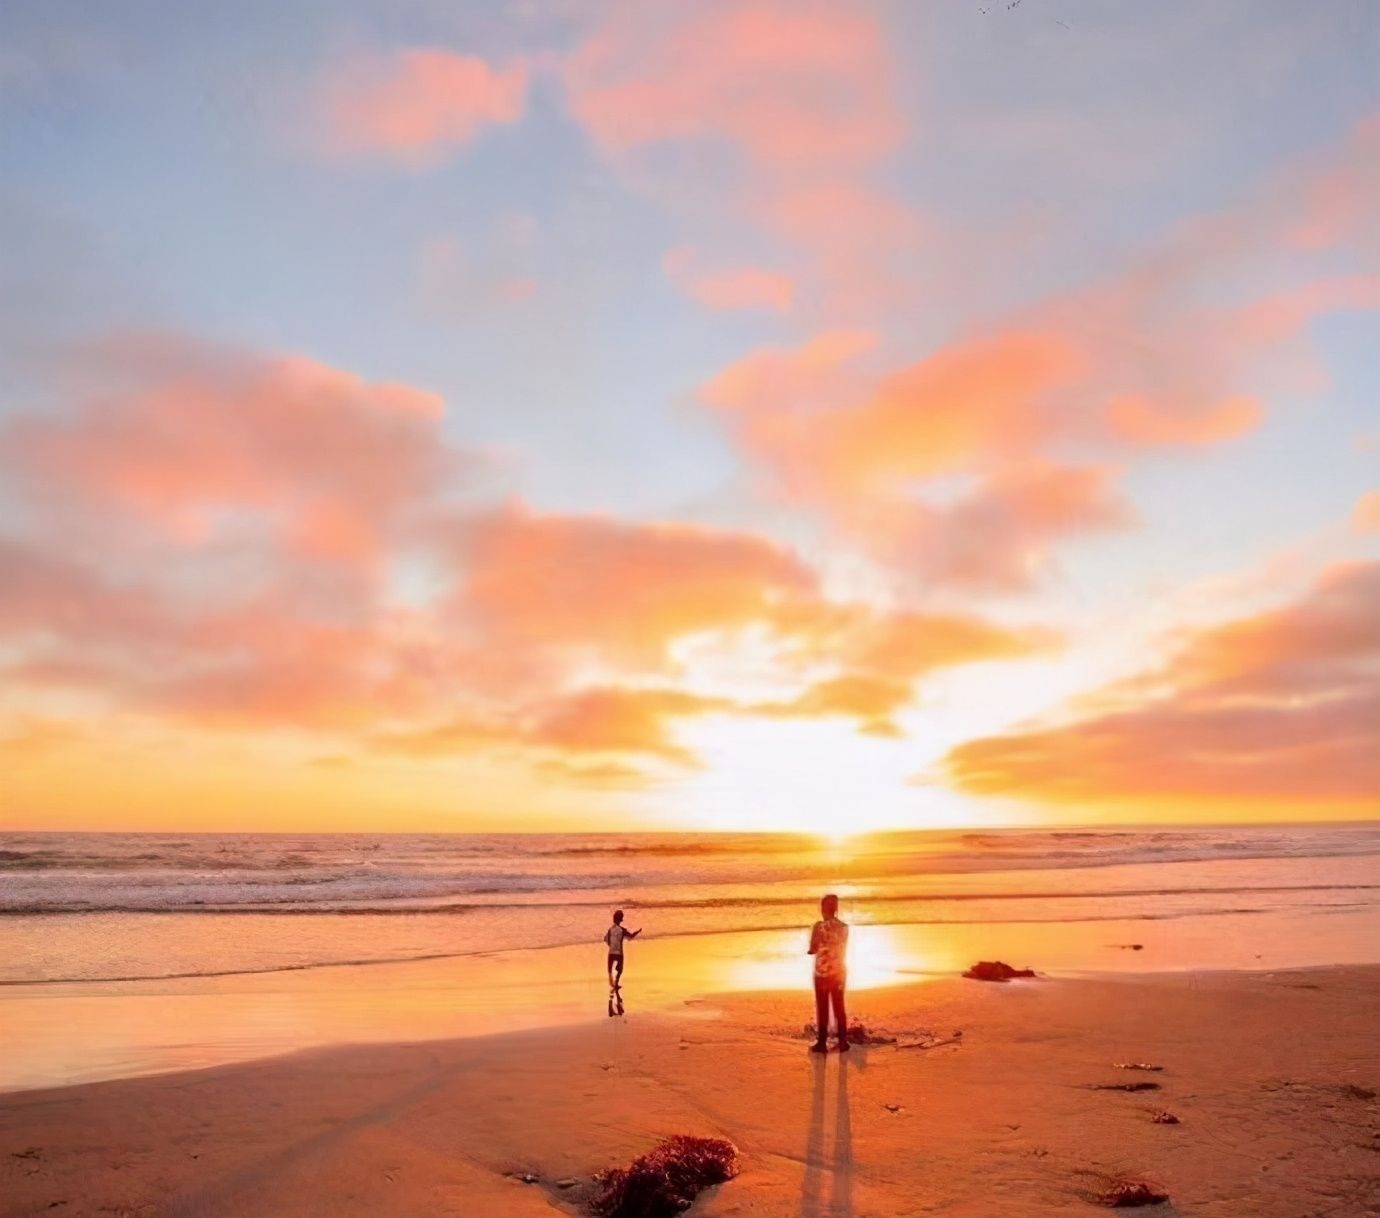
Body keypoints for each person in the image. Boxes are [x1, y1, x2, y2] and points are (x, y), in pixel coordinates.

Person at [807, 893, 849, 1053]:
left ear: (824, 908)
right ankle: (843, 1041)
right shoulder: (844, 927)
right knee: (839, 1007)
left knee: (823, 1007)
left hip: (822, 973)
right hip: (839, 972)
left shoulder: (819, 927)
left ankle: (822, 1043)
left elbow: (813, 949)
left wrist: (811, 949)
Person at [604, 909, 641, 989]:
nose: (622, 919)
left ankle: (612, 983)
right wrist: (637, 932)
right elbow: (630, 937)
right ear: (620, 919)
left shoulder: (610, 930)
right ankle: (616, 983)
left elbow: (606, 939)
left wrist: (611, 945)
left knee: (610, 970)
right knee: (620, 970)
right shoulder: (622, 930)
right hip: (619, 953)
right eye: (622, 918)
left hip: (611, 952)